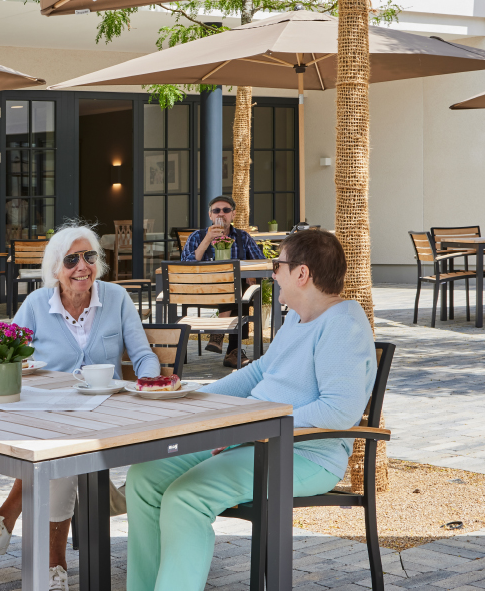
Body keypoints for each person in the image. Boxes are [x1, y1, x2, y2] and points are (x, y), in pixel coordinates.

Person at [126, 228, 376, 591]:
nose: (273, 273)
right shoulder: (296, 317)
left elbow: (338, 411)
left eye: (279, 265)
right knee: (145, 476)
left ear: (302, 274)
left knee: (186, 497)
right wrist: (193, 399)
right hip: (253, 438)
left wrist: (258, 425)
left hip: (305, 453)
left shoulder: (344, 326)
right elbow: (259, 371)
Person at [0, 223, 161, 591]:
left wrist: (146, 382)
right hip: (46, 411)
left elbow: (143, 355)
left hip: (102, 412)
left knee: (63, 452)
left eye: (89, 257)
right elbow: (7, 354)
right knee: (61, 452)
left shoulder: (116, 298)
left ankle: (9, 524)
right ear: (55, 268)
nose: (82, 266)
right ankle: (53, 563)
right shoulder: (37, 304)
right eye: (71, 259)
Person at [181, 195, 265, 367]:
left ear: (233, 214)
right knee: (239, 289)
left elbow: (262, 263)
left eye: (226, 210)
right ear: (210, 215)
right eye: (216, 211)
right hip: (202, 292)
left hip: (235, 291)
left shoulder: (242, 237)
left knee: (238, 286)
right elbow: (184, 266)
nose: (221, 214)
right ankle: (233, 351)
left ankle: (219, 338)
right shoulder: (198, 237)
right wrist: (207, 240)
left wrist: (253, 273)